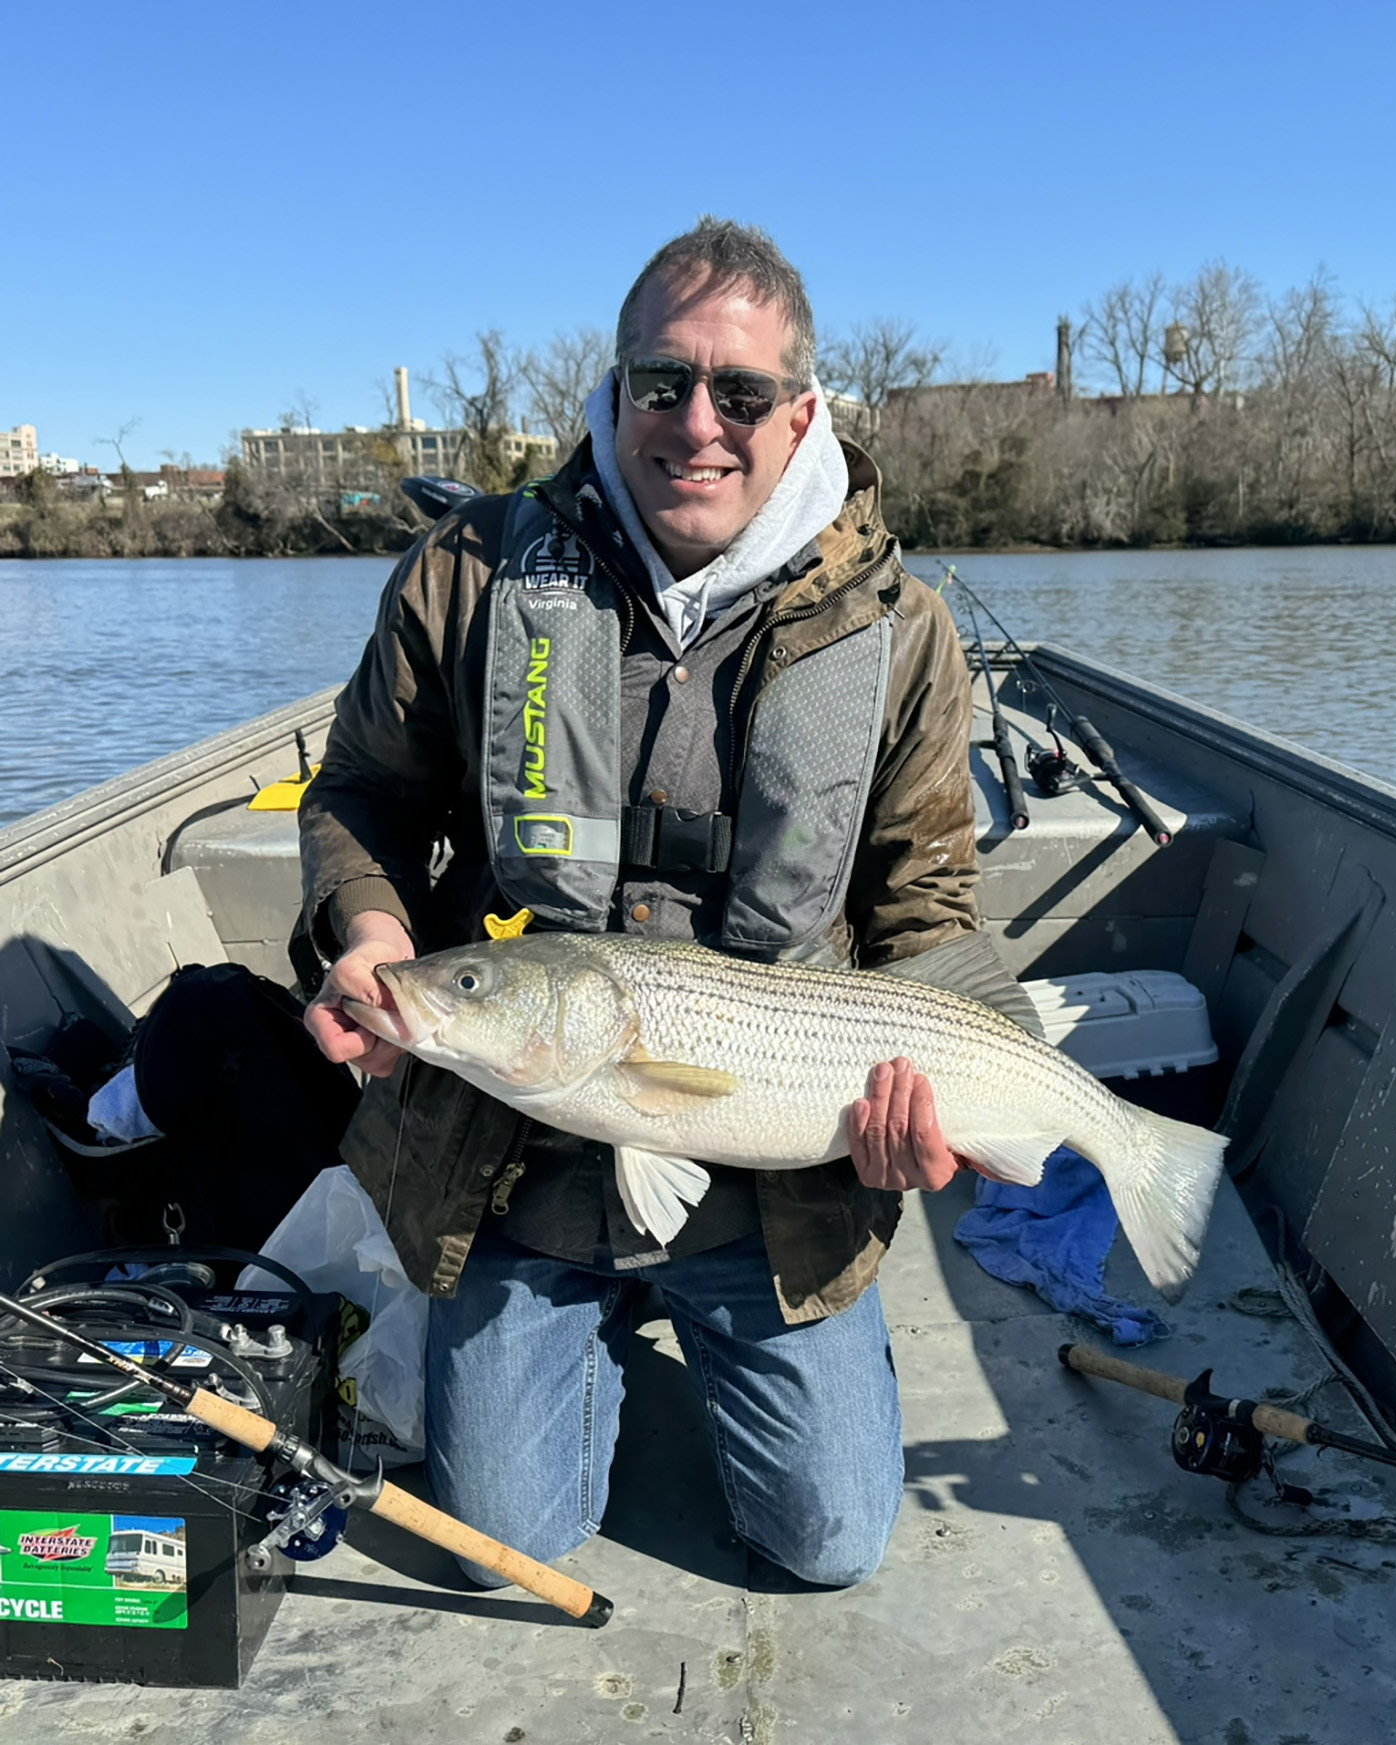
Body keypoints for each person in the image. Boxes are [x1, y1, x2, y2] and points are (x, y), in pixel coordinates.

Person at [300, 217, 1002, 1588]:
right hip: (524, 1162)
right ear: (613, 392)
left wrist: (934, 1119)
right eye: (659, 382)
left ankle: (715, 1328)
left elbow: (929, 906)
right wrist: (375, 936)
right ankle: (580, 1326)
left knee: (832, 1544)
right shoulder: (471, 573)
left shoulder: (907, 627)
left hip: (782, 1190)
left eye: (739, 393)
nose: (697, 423)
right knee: (505, 1541)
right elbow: (359, 797)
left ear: (803, 415)